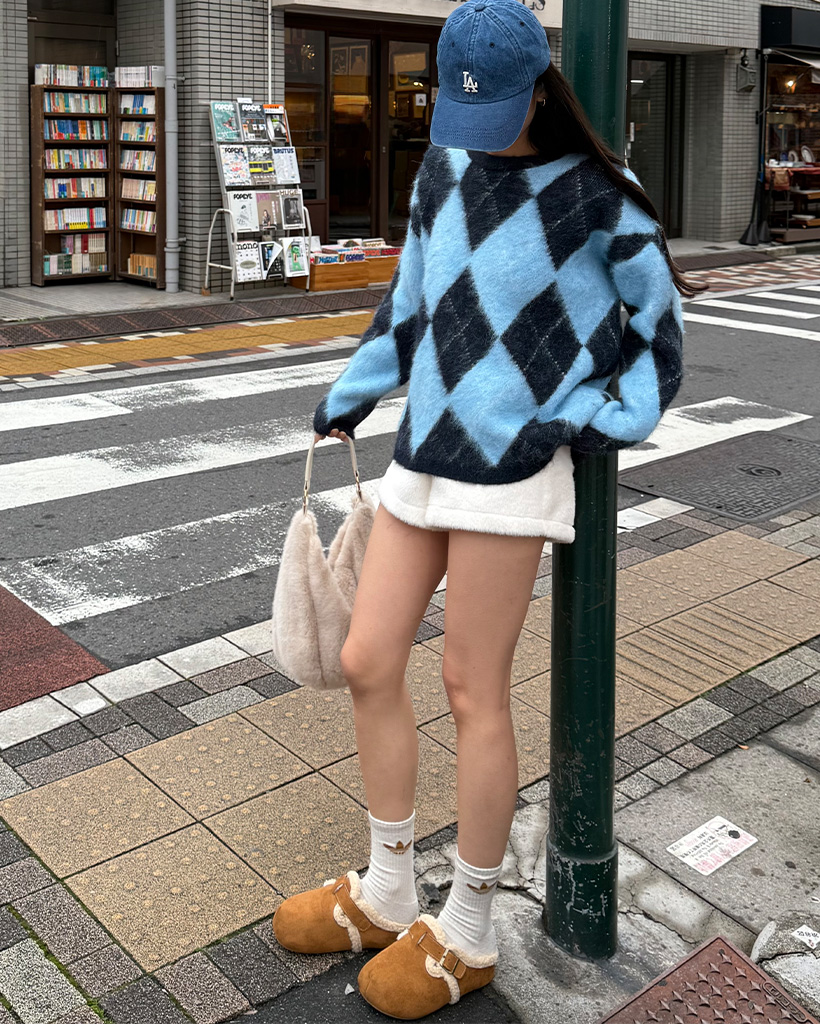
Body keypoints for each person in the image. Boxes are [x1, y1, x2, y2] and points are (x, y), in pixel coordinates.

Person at [271, 0, 705, 1018]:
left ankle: (468, 925)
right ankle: (388, 887)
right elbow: (411, 304)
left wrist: (598, 416)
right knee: (366, 659)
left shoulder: (601, 196)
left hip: (511, 468)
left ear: (539, 89)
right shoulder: (443, 168)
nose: (474, 130)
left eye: (494, 109)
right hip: (424, 451)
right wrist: (352, 390)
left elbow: (661, 327)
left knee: (472, 688)